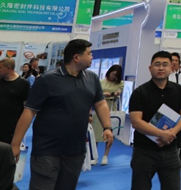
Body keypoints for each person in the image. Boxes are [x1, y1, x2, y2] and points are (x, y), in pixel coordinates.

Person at [10, 39, 113, 190]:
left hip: (76, 151)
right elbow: (29, 111)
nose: (92, 57)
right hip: (47, 150)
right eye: (89, 54)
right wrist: (15, 144)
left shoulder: (92, 78)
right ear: (76, 57)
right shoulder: (47, 80)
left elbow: (100, 103)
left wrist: (107, 127)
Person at [128, 51, 181, 189]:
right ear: (150, 68)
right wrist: (161, 134)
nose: (161, 68)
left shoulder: (179, 90)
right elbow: (136, 122)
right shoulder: (140, 92)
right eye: (157, 64)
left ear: (171, 68)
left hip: (170, 150)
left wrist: (171, 133)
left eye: (165, 64)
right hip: (144, 151)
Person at [0, 57, 28, 190]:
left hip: (12, 129)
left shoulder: (23, 84)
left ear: (8, 68)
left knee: (7, 162)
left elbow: (27, 108)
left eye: (0, 68)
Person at [92, 64, 123, 166]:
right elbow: (95, 94)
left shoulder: (120, 83)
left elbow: (119, 91)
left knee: (110, 132)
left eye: (116, 75)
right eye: (113, 74)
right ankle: (95, 156)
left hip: (111, 108)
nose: (114, 77)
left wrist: (116, 93)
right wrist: (103, 94)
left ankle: (105, 155)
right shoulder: (100, 82)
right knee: (96, 133)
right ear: (109, 72)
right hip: (99, 108)